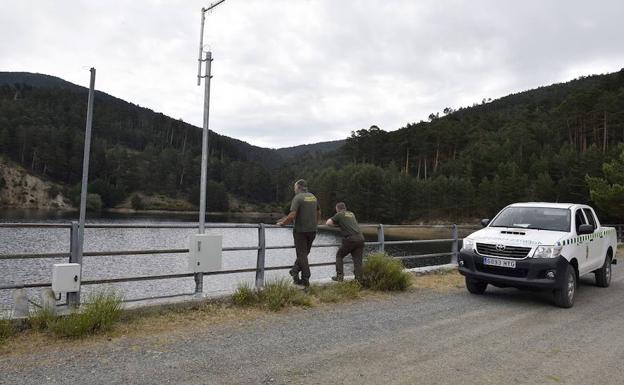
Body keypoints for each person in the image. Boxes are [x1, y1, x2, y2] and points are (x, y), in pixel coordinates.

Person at [277, 179, 320, 287]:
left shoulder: (298, 198)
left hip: (300, 231)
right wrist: (316, 224)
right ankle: (295, 271)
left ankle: (306, 278)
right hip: (312, 231)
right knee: (304, 254)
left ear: (299, 187)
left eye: (295, 187)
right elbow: (319, 211)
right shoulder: (313, 197)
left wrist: (283, 223)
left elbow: (292, 215)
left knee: (302, 255)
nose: (294, 189)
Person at [326, 202, 365, 283]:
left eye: (336, 209)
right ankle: (359, 280)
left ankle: (340, 277)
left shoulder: (340, 214)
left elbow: (328, 223)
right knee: (357, 260)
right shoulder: (351, 214)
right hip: (360, 238)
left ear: (338, 209)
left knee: (339, 256)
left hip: (350, 239)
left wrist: (337, 225)